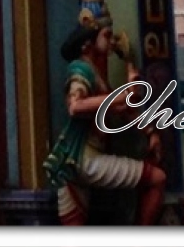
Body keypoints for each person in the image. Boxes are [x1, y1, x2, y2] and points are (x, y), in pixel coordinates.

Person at [44, 15, 167, 226]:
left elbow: (124, 109)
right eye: (106, 35)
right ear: (88, 43)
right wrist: (118, 96)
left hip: (82, 159)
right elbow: (75, 106)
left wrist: (150, 132)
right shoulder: (80, 70)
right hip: (84, 158)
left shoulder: (95, 74)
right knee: (157, 178)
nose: (111, 42)